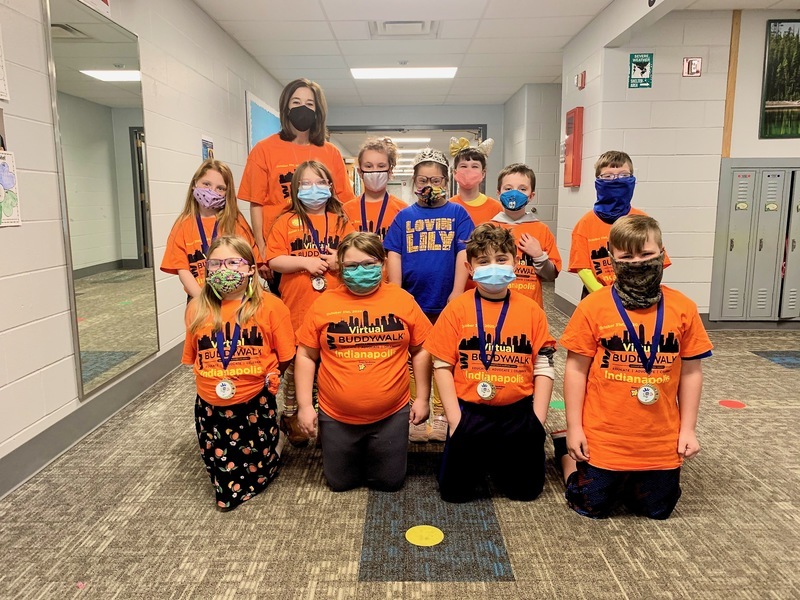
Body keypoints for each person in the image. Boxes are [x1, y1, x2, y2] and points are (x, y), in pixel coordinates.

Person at [555, 215, 712, 520]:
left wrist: (688, 430)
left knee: (657, 510)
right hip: (604, 432)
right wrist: (575, 428)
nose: (637, 263)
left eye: (646, 254)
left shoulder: (683, 308)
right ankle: (565, 454)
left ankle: (628, 476)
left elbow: (691, 372)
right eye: (626, 256)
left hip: (659, 435)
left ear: (662, 254)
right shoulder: (593, 307)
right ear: (611, 259)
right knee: (593, 506)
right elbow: (576, 370)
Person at [424, 224, 556, 503]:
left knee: (525, 493)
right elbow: (442, 366)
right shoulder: (456, 309)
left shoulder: (532, 310)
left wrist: (538, 419)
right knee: (455, 494)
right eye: (483, 261)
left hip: (518, 411)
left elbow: (544, 365)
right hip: (470, 412)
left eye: (501, 259)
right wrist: (455, 420)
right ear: (469, 268)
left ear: (515, 263)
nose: (493, 267)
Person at [295, 232, 432, 491]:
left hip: (391, 413)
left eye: (369, 263)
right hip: (336, 414)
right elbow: (305, 355)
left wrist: (423, 398)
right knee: (340, 483)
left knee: (390, 483)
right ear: (340, 268)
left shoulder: (402, 300)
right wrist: (304, 406)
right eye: (351, 266)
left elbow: (421, 350)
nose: (361, 270)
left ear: (383, 264)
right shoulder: (324, 304)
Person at [182, 236, 296, 511]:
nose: (224, 270)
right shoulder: (196, 308)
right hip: (210, 404)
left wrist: (266, 376)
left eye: (234, 262)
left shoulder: (271, 307)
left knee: (257, 468)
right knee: (221, 468)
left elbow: (286, 355)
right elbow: (194, 356)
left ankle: (275, 445)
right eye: (216, 263)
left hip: (254, 399)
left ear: (250, 269)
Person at [384, 148, 475, 443]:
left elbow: (464, 252)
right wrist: (397, 293)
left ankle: (440, 414)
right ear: (414, 182)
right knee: (415, 359)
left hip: (446, 301)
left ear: (446, 182)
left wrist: (457, 292)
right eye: (423, 180)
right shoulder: (404, 216)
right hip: (413, 300)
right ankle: (416, 412)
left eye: (435, 180)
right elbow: (394, 253)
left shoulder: (458, 213)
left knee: (444, 359)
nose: (429, 186)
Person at [266, 160, 355, 446]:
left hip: (335, 308)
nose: (313, 189)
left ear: (330, 186)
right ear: (295, 189)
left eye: (319, 182)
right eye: (305, 184)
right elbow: (274, 260)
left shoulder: (341, 221)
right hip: (297, 308)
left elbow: (356, 257)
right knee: (295, 366)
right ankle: (291, 416)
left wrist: (338, 261)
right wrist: (305, 262)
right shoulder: (285, 222)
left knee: (329, 366)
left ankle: (326, 415)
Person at [238, 78, 356, 286]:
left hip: (325, 248)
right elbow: (256, 203)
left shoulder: (330, 152)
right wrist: (261, 250)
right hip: (281, 251)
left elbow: (344, 203)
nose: (303, 108)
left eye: (310, 104)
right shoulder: (264, 149)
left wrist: (347, 252)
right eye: (296, 102)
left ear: (318, 111)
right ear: (286, 107)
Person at [569, 150, 670, 297]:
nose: (616, 180)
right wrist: (606, 296)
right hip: (597, 296)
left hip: (639, 295)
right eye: (608, 176)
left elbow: (656, 262)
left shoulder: (642, 220)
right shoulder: (585, 224)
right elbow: (582, 268)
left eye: (623, 175)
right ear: (598, 182)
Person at [162, 159, 258, 298]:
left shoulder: (236, 223)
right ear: (195, 184)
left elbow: (250, 263)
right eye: (206, 184)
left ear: (227, 193)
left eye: (220, 188)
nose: (212, 191)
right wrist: (202, 300)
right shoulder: (182, 225)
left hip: (235, 297)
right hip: (198, 297)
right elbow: (182, 269)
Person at [491, 162, 561, 309]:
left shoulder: (541, 230)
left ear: (531, 195)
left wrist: (539, 255)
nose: (514, 193)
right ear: (498, 193)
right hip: (494, 305)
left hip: (530, 307)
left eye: (522, 189)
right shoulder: (489, 228)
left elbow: (551, 275)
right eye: (508, 188)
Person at [342, 137, 406, 240]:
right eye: (368, 166)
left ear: (390, 171)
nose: (375, 171)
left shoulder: (402, 209)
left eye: (381, 166)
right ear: (360, 172)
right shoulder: (347, 210)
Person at [448, 137, 503, 226]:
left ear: (483, 173)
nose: (469, 170)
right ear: (454, 172)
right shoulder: (448, 207)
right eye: (463, 166)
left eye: (475, 166)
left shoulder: (496, 208)